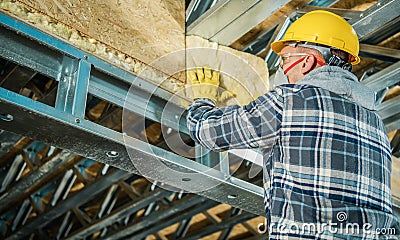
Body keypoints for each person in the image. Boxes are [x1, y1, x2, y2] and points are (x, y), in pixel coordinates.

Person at [186, 10, 400, 238]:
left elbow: (209, 132)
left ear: (307, 61)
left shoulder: (290, 101)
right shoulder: (375, 123)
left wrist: (203, 98)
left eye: (285, 59)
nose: (283, 70)